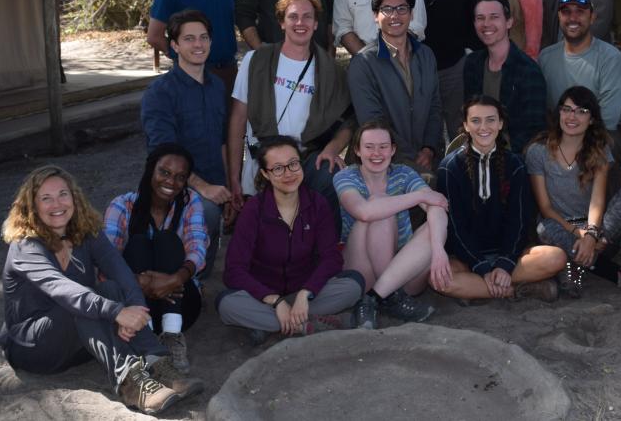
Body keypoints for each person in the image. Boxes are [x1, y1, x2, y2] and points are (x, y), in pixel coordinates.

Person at [0, 166, 202, 415]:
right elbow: (64, 291)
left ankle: (157, 362)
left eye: (63, 194)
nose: (57, 204)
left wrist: (135, 311)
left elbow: (121, 273)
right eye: (46, 198)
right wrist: (117, 313)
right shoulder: (25, 246)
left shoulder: (86, 232)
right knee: (78, 302)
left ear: (74, 197)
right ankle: (130, 383)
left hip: (80, 345)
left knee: (110, 287)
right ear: (32, 206)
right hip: (33, 348)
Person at [217, 136, 364, 343]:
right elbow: (234, 270)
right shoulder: (254, 209)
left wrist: (306, 293)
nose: (288, 174)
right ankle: (306, 324)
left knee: (353, 284)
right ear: (265, 174)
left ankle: (271, 324)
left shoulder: (317, 203)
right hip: (263, 297)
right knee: (226, 304)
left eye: (293, 164)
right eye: (277, 168)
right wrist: (275, 301)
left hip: (305, 292)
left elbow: (331, 258)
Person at [227, 0, 353, 227]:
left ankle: (328, 254)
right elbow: (237, 118)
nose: (300, 23)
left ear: (316, 24)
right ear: (282, 22)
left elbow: (350, 120)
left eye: (307, 17)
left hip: (304, 161)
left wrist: (333, 149)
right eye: (293, 16)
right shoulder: (256, 61)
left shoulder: (330, 71)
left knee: (332, 180)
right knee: (265, 236)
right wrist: (234, 177)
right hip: (262, 162)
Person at [435, 96, 565, 302]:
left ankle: (479, 289)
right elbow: (454, 227)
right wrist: (481, 267)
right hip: (466, 259)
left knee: (556, 257)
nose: (483, 127)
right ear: (465, 126)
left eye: (490, 120)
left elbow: (519, 221)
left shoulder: (515, 164)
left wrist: (504, 264)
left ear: (501, 123)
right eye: (475, 120)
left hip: (510, 256)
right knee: (439, 279)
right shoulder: (449, 168)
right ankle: (516, 291)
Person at [334, 119, 450, 329]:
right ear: (357, 151)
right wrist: (418, 198)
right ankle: (388, 296)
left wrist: (439, 250)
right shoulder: (346, 176)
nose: (376, 153)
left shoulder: (403, 173)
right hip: (361, 270)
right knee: (380, 206)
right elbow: (364, 212)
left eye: (383, 147)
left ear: (393, 150)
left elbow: (437, 207)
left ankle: (376, 298)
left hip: (402, 272)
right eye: (369, 147)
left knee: (433, 225)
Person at [104, 144, 208, 374]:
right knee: (138, 243)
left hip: (181, 303)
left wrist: (174, 279)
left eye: (180, 177)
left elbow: (198, 248)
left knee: (167, 241)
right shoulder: (122, 205)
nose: (171, 182)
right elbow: (106, 260)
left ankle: (172, 334)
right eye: (165, 172)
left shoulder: (191, 202)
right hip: (135, 310)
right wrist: (139, 283)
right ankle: (146, 340)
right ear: (151, 169)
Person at [140, 9, 229, 278]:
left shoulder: (217, 87)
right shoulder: (160, 93)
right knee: (207, 213)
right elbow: (162, 155)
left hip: (215, 184)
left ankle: (196, 283)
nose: (198, 44)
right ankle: (183, 280)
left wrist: (230, 187)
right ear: (175, 45)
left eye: (203, 38)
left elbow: (224, 141)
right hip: (174, 187)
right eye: (189, 39)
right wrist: (204, 188)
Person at [526, 87, 621, 298]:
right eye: (567, 109)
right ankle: (605, 270)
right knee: (544, 227)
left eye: (581, 111)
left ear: (591, 119)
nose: (572, 116)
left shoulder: (599, 149)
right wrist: (577, 234)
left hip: (597, 230)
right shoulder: (538, 151)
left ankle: (579, 264)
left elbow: (597, 202)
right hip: (560, 228)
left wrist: (591, 235)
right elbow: (545, 208)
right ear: (559, 114)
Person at [403, 0, 488, 139]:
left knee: (460, 133)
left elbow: (483, 12)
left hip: (455, 68)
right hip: (414, 70)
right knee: (421, 136)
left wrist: (473, 54)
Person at [537, 0, 621, 194]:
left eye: (580, 11)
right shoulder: (545, 58)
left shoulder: (610, 57)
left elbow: (609, 118)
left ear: (593, 16)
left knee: (604, 151)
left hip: (600, 133)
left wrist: (571, 143)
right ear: (559, 16)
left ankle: (602, 218)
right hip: (558, 132)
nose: (573, 18)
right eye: (566, 11)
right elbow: (544, 110)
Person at [348, 0, 443, 172]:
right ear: (376, 16)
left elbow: (435, 107)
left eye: (402, 8)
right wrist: (412, 160)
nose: (395, 15)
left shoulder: (426, 55)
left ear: (411, 13)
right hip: (382, 165)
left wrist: (429, 149)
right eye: (387, 9)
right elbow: (372, 122)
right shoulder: (363, 63)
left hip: (427, 158)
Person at [462, 0, 546, 154]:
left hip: (515, 159)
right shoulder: (472, 63)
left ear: (509, 22)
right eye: (480, 18)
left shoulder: (528, 70)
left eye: (494, 17)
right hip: (477, 152)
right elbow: (468, 115)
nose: (486, 24)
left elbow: (534, 131)